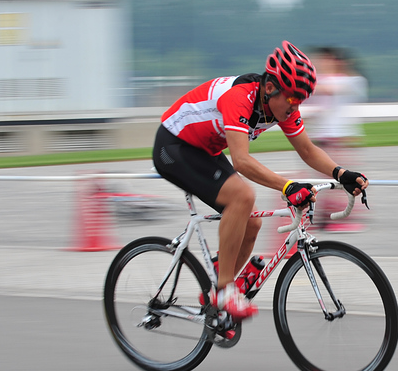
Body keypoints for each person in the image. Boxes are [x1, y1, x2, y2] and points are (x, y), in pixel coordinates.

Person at [152, 41, 369, 321]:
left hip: (203, 150)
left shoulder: (281, 105)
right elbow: (241, 161)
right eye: (292, 100)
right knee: (242, 197)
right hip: (173, 147)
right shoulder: (239, 97)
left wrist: (341, 173)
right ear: (270, 88)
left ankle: (217, 286)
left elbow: (307, 150)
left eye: (300, 102)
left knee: (251, 222)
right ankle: (223, 290)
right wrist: (287, 185)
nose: (295, 108)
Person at [304, 47, 369, 231]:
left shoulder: (352, 81)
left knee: (343, 178)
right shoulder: (323, 81)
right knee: (327, 178)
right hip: (324, 138)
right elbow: (316, 103)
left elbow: (331, 90)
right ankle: (326, 216)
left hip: (340, 138)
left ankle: (340, 216)